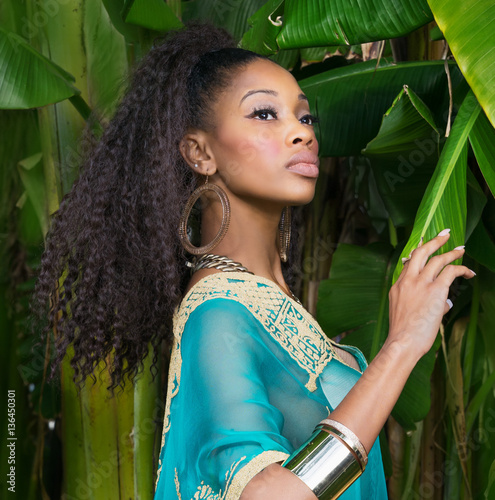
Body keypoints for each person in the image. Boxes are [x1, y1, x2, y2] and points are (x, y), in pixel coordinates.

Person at [34, 22, 475, 500]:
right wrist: (401, 345)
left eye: (305, 118)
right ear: (200, 152)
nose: (300, 133)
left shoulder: (270, 307)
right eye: (265, 114)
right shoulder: (218, 315)